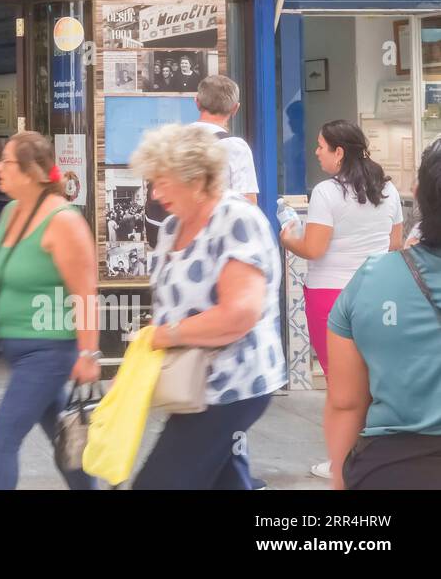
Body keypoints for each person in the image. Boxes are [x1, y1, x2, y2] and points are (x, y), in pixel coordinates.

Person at [129, 124, 286, 489]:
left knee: (157, 484)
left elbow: (239, 315)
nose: (155, 192)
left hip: (232, 384)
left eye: (163, 181)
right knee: (225, 481)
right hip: (197, 385)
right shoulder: (172, 227)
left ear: (197, 180)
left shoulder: (236, 220)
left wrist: (166, 335)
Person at [0, 131, 99, 490]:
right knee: (66, 441)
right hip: (17, 349)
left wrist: (88, 353)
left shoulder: (64, 222)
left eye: (6, 161)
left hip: (48, 350)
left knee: (3, 438)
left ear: (32, 171)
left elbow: (85, 293)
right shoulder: (9, 213)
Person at [281, 119, 402, 479]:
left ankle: (344, 463)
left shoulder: (326, 192)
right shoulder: (388, 189)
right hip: (379, 289)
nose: (316, 152)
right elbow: (394, 245)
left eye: (321, 146)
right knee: (374, 377)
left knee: (339, 382)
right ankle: (375, 455)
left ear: (338, 152)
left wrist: (288, 237)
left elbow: (314, 249)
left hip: (331, 295)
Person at [325, 139, 441, 489]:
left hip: (392, 469)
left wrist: (339, 480)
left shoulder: (372, 279)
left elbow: (346, 403)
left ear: (417, 193)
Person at [192, 75, 259, 204]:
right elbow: (247, 204)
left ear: (197, 102)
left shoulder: (175, 140)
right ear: (235, 108)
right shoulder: (236, 147)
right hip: (216, 222)